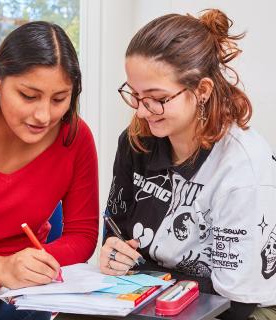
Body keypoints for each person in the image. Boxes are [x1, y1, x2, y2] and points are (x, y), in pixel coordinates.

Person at [100, 9, 276, 320]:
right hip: (149, 300)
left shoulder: (243, 166)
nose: (142, 111)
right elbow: (114, 233)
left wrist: (155, 285)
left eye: (157, 98)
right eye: (135, 94)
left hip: (236, 310)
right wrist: (113, 254)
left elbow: (238, 302)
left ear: (202, 90)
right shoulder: (135, 142)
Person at [0, 21, 99, 319]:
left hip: (20, 288)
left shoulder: (75, 137)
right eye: (29, 96)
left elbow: (82, 234)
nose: (44, 115)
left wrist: (34, 264)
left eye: (60, 99)